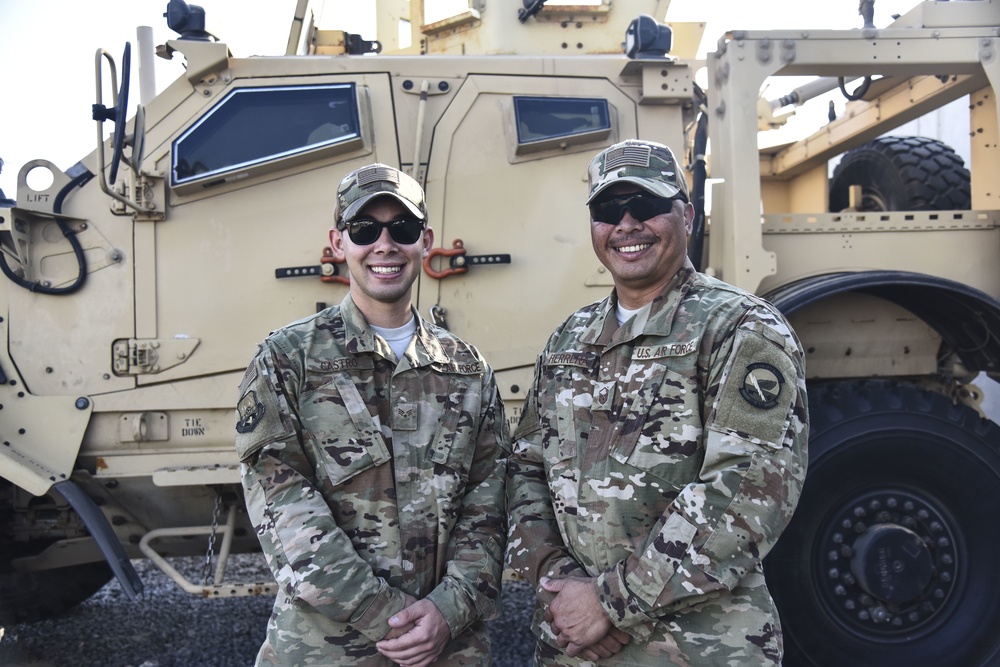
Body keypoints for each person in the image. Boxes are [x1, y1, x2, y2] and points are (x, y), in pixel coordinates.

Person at [506, 139, 809, 665]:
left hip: (695, 645)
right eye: (607, 210)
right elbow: (525, 470)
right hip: (575, 646)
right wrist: (560, 585)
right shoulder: (568, 340)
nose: (626, 224)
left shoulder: (741, 329)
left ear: (685, 215)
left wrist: (610, 602)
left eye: (645, 206)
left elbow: (750, 490)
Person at [236, 163, 509, 666]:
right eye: (365, 229)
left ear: (425, 242)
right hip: (328, 649)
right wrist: (385, 613)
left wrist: (449, 609)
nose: (384, 245)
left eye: (401, 229)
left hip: (449, 646)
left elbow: (489, 504)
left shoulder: (468, 370)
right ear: (339, 243)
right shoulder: (287, 358)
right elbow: (280, 502)